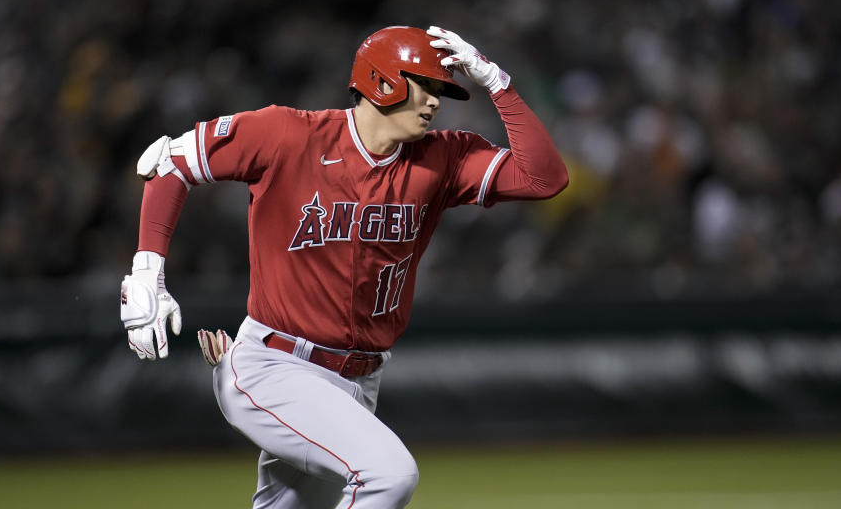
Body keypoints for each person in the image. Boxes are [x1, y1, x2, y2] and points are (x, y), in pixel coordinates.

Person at [119, 25, 569, 508]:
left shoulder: (442, 158)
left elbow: (543, 179)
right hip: (275, 363)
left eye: (440, 91)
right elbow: (169, 162)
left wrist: (498, 82)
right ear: (383, 81)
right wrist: (148, 271)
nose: (436, 102)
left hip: (357, 381)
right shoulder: (289, 134)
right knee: (388, 476)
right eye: (426, 85)